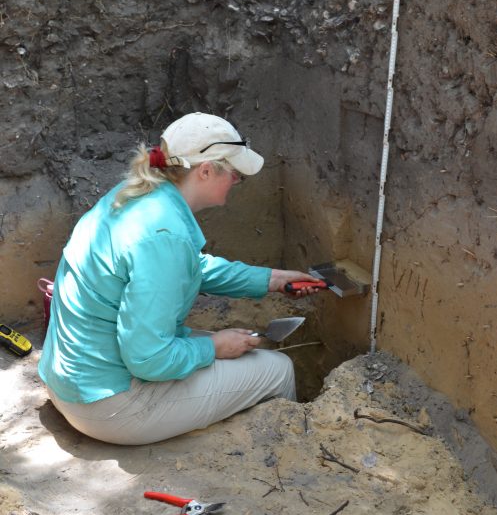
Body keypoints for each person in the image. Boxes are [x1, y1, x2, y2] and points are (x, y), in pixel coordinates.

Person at [38, 112, 319, 446]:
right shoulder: (164, 234)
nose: (237, 181)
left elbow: (187, 268)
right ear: (205, 170)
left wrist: (271, 279)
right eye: (234, 174)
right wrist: (212, 347)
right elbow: (148, 358)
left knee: (236, 351)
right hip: (109, 406)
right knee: (278, 369)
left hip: (71, 380)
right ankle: (281, 449)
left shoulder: (137, 195)